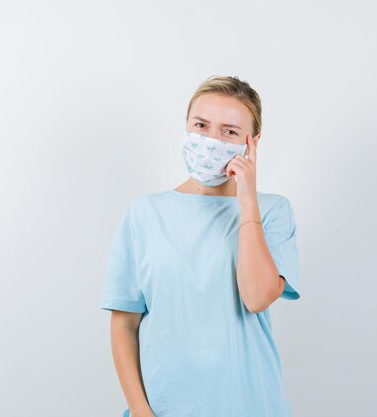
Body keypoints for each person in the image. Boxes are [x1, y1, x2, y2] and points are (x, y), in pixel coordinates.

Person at [99, 75, 301, 417]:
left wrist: (247, 200)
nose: (211, 140)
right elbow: (124, 323)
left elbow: (256, 297)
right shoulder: (144, 213)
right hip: (165, 409)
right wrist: (140, 410)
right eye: (201, 125)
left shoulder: (272, 211)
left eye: (230, 131)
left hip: (251, 406)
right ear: (186, 127)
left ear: (252, 142)